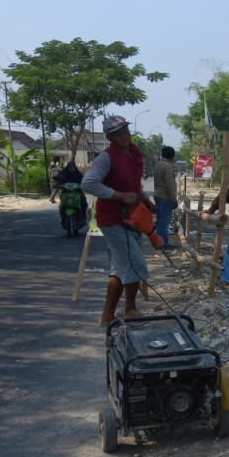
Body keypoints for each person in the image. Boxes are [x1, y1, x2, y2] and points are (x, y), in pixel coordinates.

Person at [81, 115, 156, 328]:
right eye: (118, 134)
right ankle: (130, 308)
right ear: (110, 137)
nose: (124, 136)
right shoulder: (106, 158)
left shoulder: (134, 153)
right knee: (134, 262)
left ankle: (109, 315)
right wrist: (120, 196)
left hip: (131, 218)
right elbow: (88, 183)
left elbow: (133, 183)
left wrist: (142, 198)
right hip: (113, 219)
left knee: (120, 267)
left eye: (125, 131)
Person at [153, 145, 178, 248]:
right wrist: (174, 199)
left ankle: (159, 242)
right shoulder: (168, 166)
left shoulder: (158, 165)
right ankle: (163, 243)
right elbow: (170, 184)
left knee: (160, 220)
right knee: (164, 221)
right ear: (172, 156)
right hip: (165, 196)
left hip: (158, 194)